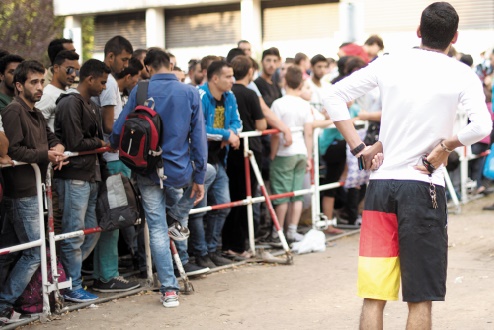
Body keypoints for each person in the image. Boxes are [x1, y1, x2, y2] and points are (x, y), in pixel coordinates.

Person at [323, 3, 492, 328]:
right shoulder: (460, 72)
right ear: (454, 37)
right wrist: (445, 146)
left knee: (374, 295)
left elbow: (333, 97)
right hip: (424, 187)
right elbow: (481, 127)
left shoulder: (390, 63)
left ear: (419, 30)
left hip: (382, 187)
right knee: (420, 298)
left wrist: (360, 147)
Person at [111, 49, 208, 308]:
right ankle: (176, 215)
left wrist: (111, 143)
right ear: (171, 65)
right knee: (208, 173)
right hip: (179, 169)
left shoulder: (140, 91)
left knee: (155, 228)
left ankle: (168, 290)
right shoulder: (189, 92)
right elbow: (198, 138)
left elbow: (120, 129)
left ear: (148, 67)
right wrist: (198, 175)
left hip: (147, 169)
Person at [0, 60, 67, 325]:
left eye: (42, 81)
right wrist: (47, 155)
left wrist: (58, 148)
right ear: (19, 85)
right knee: (31, 252)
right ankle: (4, 304)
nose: (40, 87)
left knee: (17, 250)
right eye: (34, 82)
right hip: (22, 191)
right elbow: (14, 150)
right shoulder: (14, 111)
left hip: (34, 189)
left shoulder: (35, 112)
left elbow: (51, 138)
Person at [54, 59, 111, 303]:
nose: (104, 87)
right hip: (74, 176)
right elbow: (75, 142)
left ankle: (68, 277)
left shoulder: (91, 105)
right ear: (89, 79)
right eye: (102, 82)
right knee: (73, 233)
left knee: (92, 230)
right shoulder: (70, 102)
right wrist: (98, 144)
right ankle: (70, 285)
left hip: (90, 175)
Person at [90, 35, 140, 293]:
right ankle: (108, 275)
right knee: (114, 219)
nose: (126, 64)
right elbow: (111, 126)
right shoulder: (108, 81)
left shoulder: (106, 81)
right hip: (112, 159)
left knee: (111, 220)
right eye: (124, 59)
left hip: (110, 159)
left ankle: (104, 273)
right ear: (110, 57)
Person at [196, 60, 242, 267]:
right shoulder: (200, 96)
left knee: (223, 205)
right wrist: (226, 134)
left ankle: (212, 250)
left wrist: (230, 133)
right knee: (199, 211)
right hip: (199, 164)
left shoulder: (230, 96)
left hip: (217, 160)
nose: (232, 80)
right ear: (215, 78)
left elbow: (237, 122)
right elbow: (200, 129)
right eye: (228, 76)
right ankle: (200, 254)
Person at [223, 55, 266, 258]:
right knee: (245, 198)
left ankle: (234, 243)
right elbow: (261, 124)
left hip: (230, 150)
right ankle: (238, 245)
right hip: (248, 151)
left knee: (234, 197)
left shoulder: (226, 94)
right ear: (250, 72)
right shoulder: (249, 94)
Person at [267, 65, 313, 245]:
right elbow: (308, 132)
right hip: (301, 152)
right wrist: (309, 156)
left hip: (284, 153)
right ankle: (292, 231)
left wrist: (272, 154)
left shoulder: (278, 103)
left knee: (281, 194)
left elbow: (275, 134)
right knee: (297, 193)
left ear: (285, 81)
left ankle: (277, 232)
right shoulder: (305, 104)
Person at [36, 50, 80, 132]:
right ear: (56, 68)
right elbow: (37, 129)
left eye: (77, 71)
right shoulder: (47, 95)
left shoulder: (69, 92)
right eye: (69, 70)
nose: (73, 75)